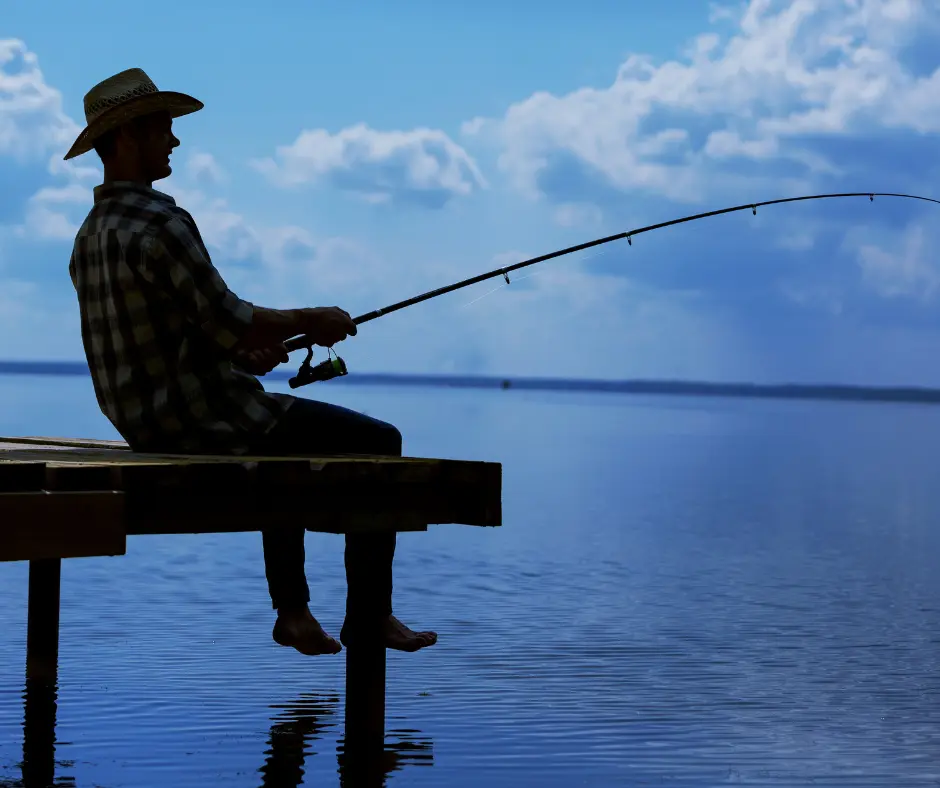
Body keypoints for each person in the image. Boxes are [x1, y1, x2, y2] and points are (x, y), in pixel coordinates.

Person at [64, 68, 436, 656]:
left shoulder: (89, 235)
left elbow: (190, 329)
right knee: (380, 442)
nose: (175, 142)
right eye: (164, 129)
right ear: (129, 136)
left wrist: (239, 352)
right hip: (199, 416)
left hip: (140, 422)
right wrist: (310, 319)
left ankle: (293, 611)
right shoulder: (161, 221)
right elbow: (229, 311)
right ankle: (368, 614)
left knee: (276, 440)